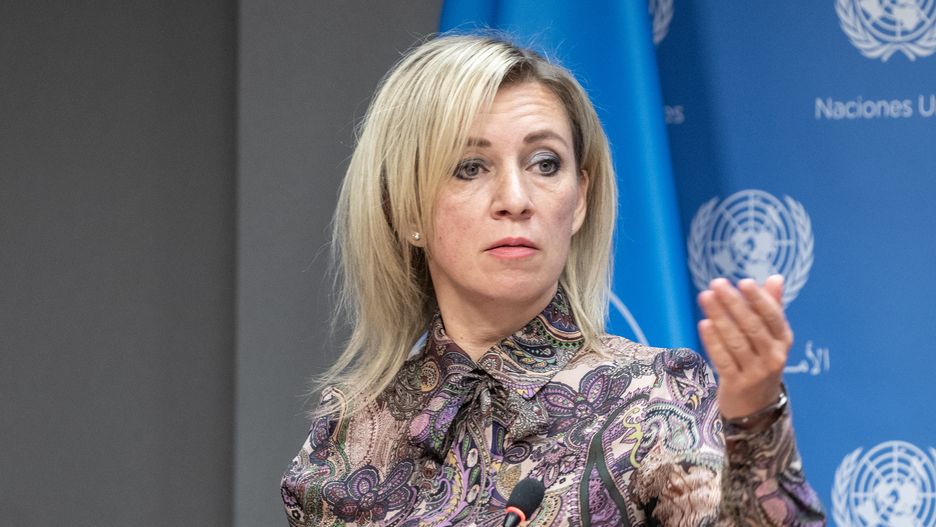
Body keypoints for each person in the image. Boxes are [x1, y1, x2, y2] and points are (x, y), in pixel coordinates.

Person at [281, 34, 826, 526]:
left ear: (581, 198)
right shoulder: (349, 434)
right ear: (408, 211)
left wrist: (754, 418)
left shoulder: (655, 401)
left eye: (545, 163)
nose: (516, 200)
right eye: (471, 167)